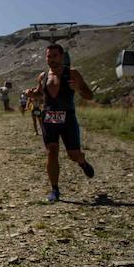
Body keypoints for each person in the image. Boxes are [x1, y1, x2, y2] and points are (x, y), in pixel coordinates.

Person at [25, 44, 95, 202]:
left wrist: (78, 88)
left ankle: (81, 161)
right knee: (52, 151)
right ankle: (55, 189)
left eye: (55, 55)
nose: (51, 59)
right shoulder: (43, 77)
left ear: (62, 57)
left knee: (73, 154)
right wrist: (31, 94)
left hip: (68, 118)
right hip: (49, 117)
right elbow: (39, 93)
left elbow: (89, 95)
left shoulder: (72, 74)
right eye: (49, 56)